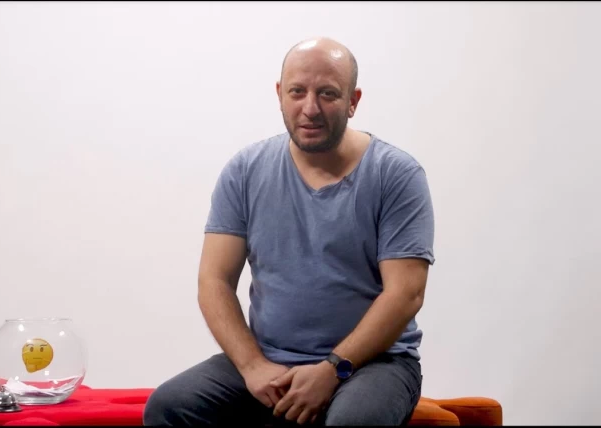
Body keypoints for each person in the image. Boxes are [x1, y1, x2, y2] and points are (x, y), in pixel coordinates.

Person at [143, 36, 435, 426]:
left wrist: (332, 369)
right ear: (280, 94)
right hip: (270, 359)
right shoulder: (245, 170)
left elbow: (405, 294)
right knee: (168, 406)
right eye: (297, 92)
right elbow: (213, 280)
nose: (310, 108)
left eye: (328, 94)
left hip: (372, 364)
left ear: (353, 101)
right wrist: (253, 366)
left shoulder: (396, 174)